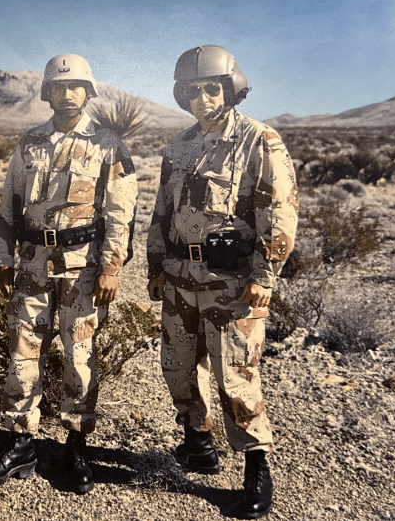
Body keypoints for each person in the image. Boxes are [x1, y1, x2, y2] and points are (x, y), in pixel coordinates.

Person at [146, 45, 298, 519]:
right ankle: (198, 444)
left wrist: (265, 276)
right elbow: (161, 212)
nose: (202, 98)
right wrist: (155, 266)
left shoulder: (259, 140)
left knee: (236, 375)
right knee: (177, 367)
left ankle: (256, 467)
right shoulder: (179, 146)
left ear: (231, 88)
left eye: (211, 88)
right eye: (192, 91)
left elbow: (280, 212)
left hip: (231, 282)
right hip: (180, 277)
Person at [0, 54, 138, 494]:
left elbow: (121, 213)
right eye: (58, 87)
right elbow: (9, 203)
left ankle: (76, 445)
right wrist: (3, 258)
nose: (67, 94)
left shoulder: (109, 145)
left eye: (76, 87)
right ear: (46, 93)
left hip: (82, 269)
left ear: (88, 93)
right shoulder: (30, 143)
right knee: (22, 353)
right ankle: (21, 443)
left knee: (79, 358)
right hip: (32, 266)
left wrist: (111, 267)